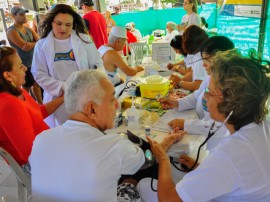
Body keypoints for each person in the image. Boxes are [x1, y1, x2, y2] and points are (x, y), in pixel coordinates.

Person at [138, 50, 270, 201]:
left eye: (210, 92)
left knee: (144, 184)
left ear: (230, 104)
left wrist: (162, 157)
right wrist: (200, 169)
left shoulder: (229, 154)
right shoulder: (264, 124)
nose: (205, 96)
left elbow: (168, 199)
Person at [29, 70, 145, 202]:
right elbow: (141, 160)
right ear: (92, 109)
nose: (117, 104)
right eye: (112, 99)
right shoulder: (115, 147)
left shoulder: (40, 140)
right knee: (131, 183)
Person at [31, 4, 104, 127]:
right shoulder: (41, 45)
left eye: (68, 25)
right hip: (57, 100)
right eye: (59, 24)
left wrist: (92, 84)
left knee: (86, 130)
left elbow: (97, 64)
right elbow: (39, 74)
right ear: (51, 22)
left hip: (84, 95)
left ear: (73, 24)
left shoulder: (84, 39)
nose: (63, 28)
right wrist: (64, 87)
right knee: (62, 134)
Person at [161, 36, 235, 149]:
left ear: (221, 58)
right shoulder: (210, 78)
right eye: (203, 59)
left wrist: (186, 124)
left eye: (207, 59)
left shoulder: (231, 88)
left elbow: (219, 126)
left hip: (220, 144)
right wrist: (176, 103)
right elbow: (197, 95)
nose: (203, 64)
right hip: (206, 137)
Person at [0, 46, 63, 170]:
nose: (24, 68)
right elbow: (30, 153)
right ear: (7, 75)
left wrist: (63, 98)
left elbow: (39, 113)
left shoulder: (18, 91)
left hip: (45, 152)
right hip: (38, 165)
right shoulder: (10, 105)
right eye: (20, 66)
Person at [7, 6, 43, 104]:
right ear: (14, 16)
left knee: (36, 84)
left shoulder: (28, 29)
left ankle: (40, 105)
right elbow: (24, 46)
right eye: (21, 14)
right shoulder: (11, 31)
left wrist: (32, 44)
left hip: (33, 62)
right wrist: (34, 43)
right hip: (22, 64)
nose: (24, 16)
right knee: (25, 87)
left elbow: (40, 42)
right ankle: (25, 105)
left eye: (24, 14)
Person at [170, 25, 208, 91]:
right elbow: (192, 73)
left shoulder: (200, 60)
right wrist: (180, 81)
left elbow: (197, 86)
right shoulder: (198, 54)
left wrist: (180, 82)